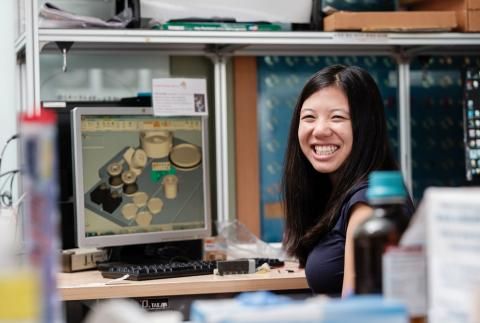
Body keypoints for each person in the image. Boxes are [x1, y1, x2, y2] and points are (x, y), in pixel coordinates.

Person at [281, 64, 413, 296]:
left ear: (365, 127)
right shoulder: (337, 192)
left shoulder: (368, 206)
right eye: (309, 117)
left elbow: (357, 313)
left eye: (337, 117)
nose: (320, 130)